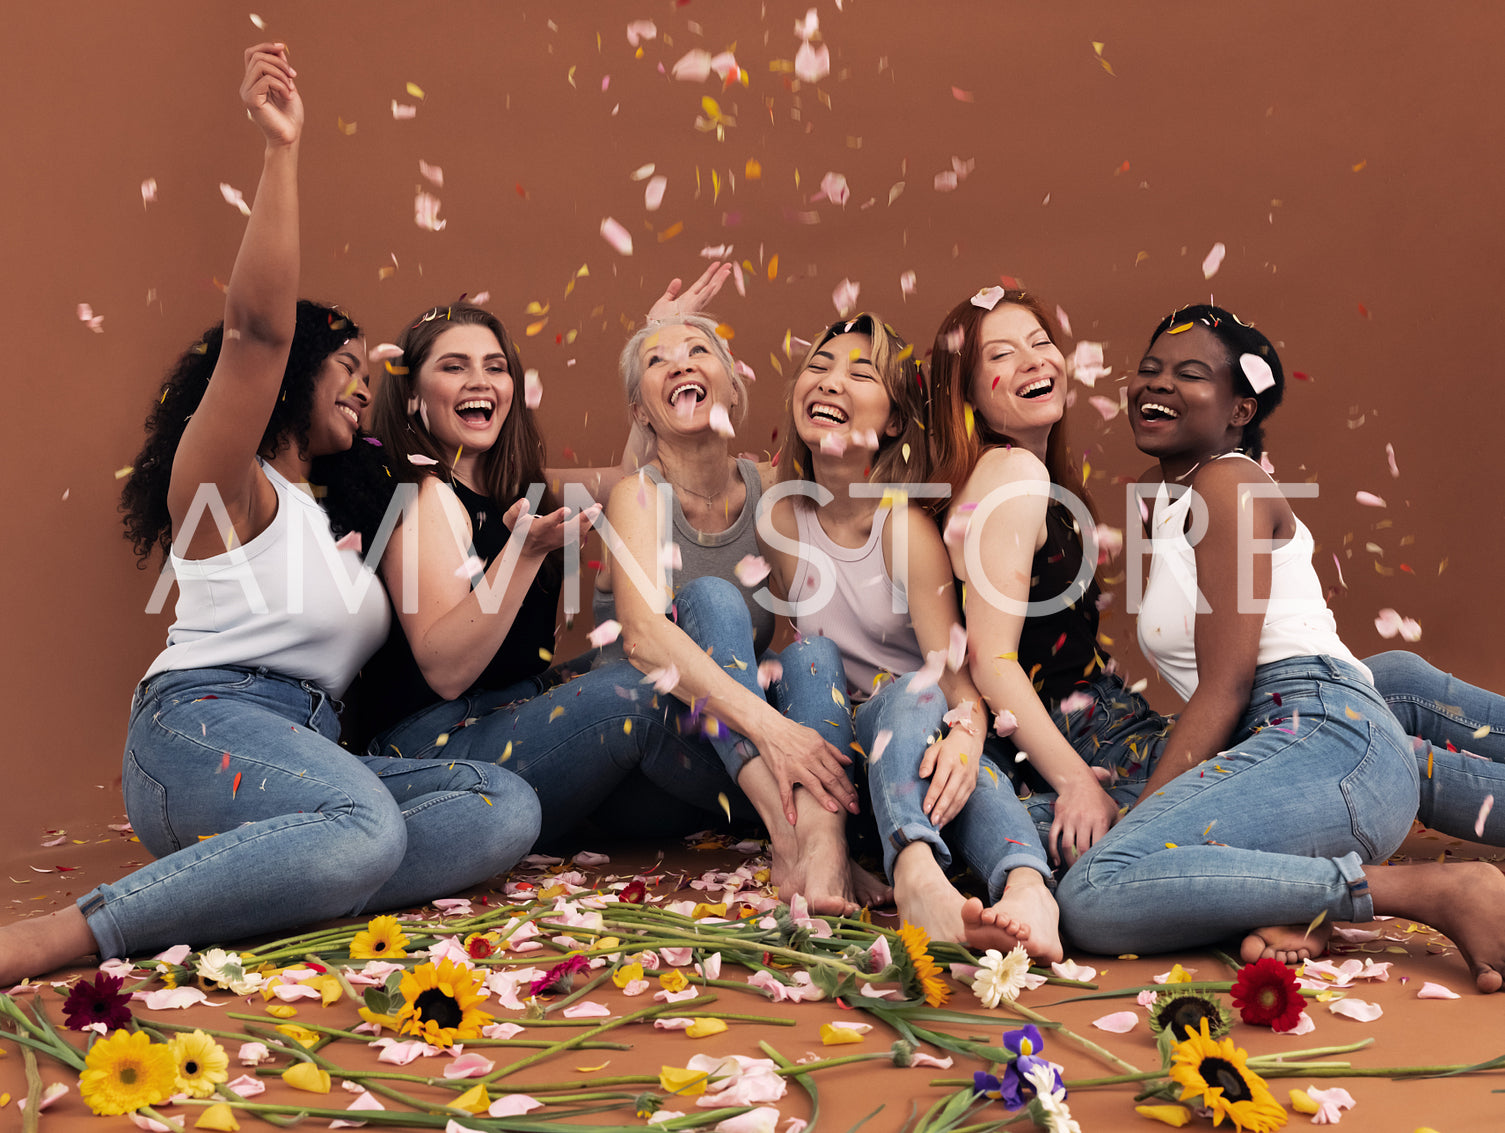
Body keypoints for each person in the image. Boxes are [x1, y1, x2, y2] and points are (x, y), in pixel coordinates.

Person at [0, 45, 540, 985]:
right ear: (292, 380)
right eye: (346, 369)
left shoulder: (333, 518)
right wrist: (281, 151)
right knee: (365, 827)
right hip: (203, 729)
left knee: (499, 804)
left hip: (306, 753)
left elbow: (487, 482)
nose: (361, 388)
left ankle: (272, 880)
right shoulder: (228, 487)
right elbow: (258, 330)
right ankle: (64, 934)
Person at [1050, 304, 1505, 992]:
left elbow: (1224, 685)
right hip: (1314, 729)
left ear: (1239, 408)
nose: (1156, 385)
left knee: (1095, 888)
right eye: (1149, 370)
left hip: (1318, 726)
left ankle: (1432, 891)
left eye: (1188, 373)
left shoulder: (1225, 483)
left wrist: (1138, 825)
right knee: (1391, 680)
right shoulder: (1171, 501)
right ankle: (1297, 896)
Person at [354, 294, 753, 845]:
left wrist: (660, 343)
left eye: (495, 367)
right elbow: (445, 669)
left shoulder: (520, 487)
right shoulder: (423, 495)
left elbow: (635, 476)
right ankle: (806, 801)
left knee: (676, 650)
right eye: (453, 366)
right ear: (413, 393)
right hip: (436, 747)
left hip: (518, 708)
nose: (480, 381)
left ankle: (780, 783)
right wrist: (524, 552)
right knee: (639, 690)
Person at [758, 313, 1063, 957]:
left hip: (919, 746)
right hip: (840, 767)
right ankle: (886, 861)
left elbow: (955, 676)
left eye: (859, 372)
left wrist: (965, 738)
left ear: (894, 422)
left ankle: (1016, 884)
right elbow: (678, 466)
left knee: (922, 711)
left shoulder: (902, 529)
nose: (831, 381)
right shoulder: (782, 512)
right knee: (807, 658)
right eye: (818, 367)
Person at [599, 313, 884, 910]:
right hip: (660, 737)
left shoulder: (771, 486)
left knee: (812, 651)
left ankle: (824, 843)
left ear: (733, 387)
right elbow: (644, 638)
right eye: (657, 361)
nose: (679, 362)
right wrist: (776, 730)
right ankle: (789, 836)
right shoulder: (637, 496)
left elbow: (853, 536)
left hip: (738, 749)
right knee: (711, 599)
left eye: (699, 350)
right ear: (641, 413)